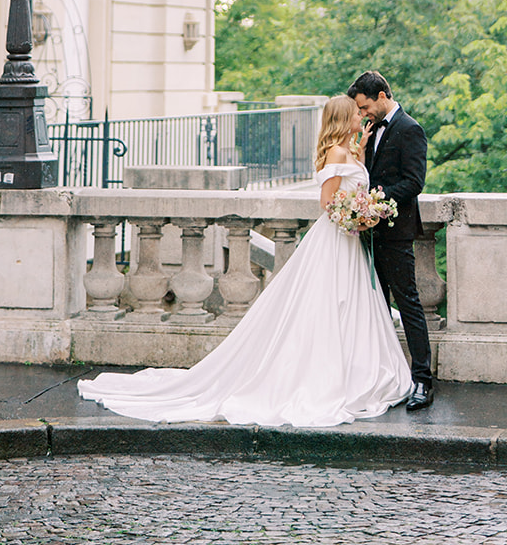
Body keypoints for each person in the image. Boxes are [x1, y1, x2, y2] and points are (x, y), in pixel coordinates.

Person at [76, 95, 412, 428]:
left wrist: (363, 157)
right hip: (337, 238)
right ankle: (326, 376)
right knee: (326, 306)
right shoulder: (336, 153)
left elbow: (353, 186)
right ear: (342, 118)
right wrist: (357, 218)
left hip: (349, 244)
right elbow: (328, 204)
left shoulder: (349, 150)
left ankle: (352, 370)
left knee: (348, 306)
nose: (362, 116)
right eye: (356, 113)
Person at [348, 71, 433, 410]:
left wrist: (375, 202)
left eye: (366, 106)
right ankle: (383, 376)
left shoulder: (411, 129)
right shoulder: (370, 130)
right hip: (369, 234)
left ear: (382, 96)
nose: (364, 113)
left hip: (397, 233)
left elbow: (414, 182)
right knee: (375, 306)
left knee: (408, 304)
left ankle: (423, 381)